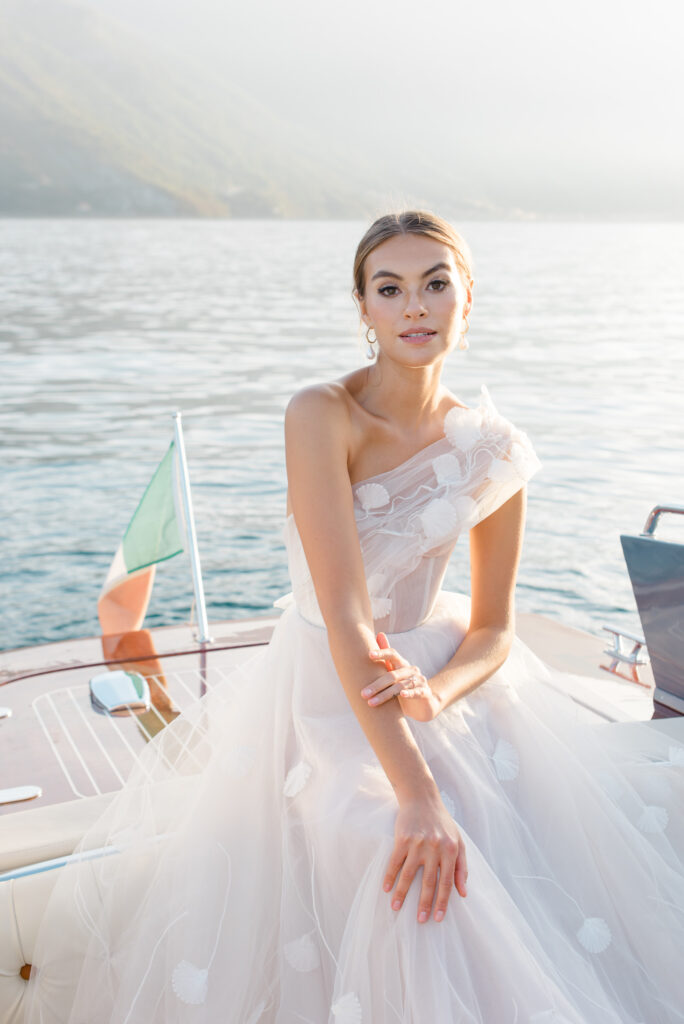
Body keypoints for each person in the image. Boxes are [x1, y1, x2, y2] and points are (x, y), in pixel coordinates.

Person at [26, 211, 684, 1023]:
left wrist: (436, 694)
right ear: (365, 309)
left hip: (435, 679)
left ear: (467, 300)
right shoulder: (321, 414)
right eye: (391, 289)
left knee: (490, 856)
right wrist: (416, 791)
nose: (416, 306)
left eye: (436, 284)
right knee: (399, 847)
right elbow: (342, 612)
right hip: (328, 682)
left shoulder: (496, 449)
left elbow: (493, 632)